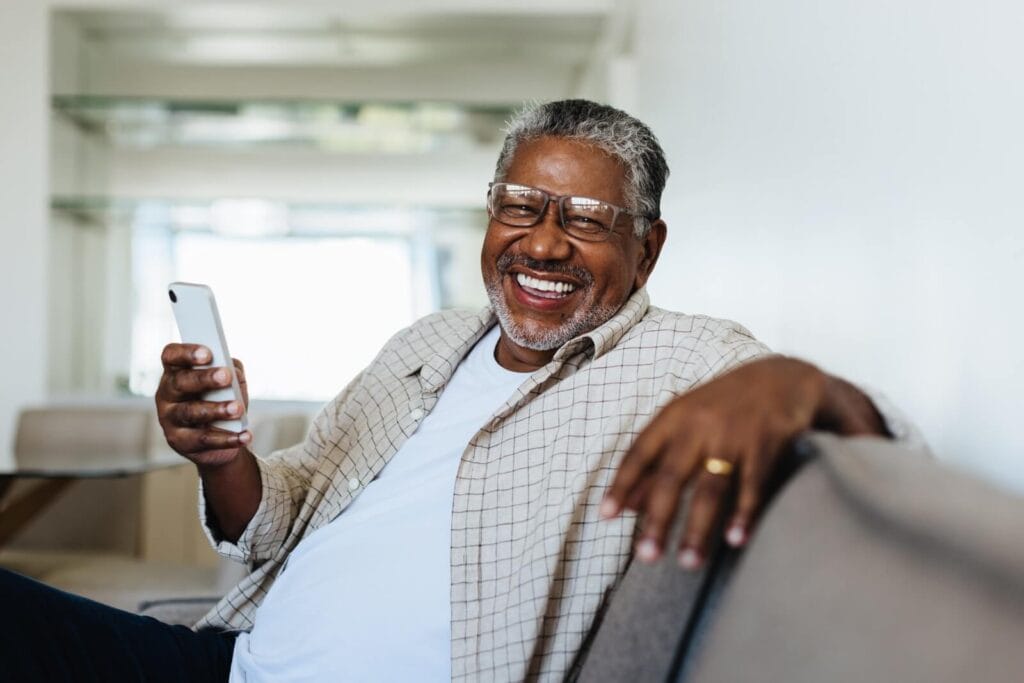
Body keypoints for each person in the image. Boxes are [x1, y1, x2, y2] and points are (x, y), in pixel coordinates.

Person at [0, 99, 911, 682]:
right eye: (520, 206)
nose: (544, 244)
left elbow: (883, 444)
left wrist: (791, 379)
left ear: (650, 248)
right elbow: (270, 520)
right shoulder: (427, 341)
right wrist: (220, 456)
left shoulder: (686, 360)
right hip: (230, 658)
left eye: (586, 221)